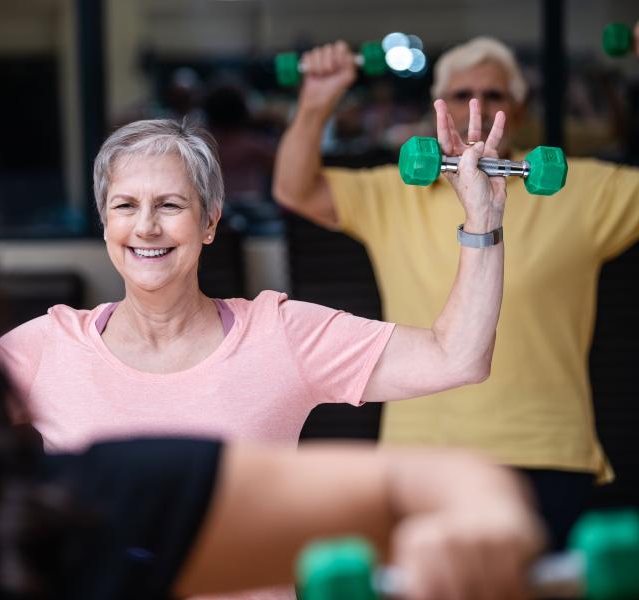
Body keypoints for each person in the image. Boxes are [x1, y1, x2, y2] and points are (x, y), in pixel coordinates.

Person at [0, 71, 545, 600]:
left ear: (210, 221)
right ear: (105, 224)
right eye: (125, 207)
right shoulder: (42, 349)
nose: (146, 228)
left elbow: (457, 356)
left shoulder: (279, 333)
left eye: (169, 206)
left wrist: (481, 223)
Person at [272, 36, 639, 550]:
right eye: (462, 94)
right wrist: (317, 98)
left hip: (546, 453)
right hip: (421, 458)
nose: (478, 109)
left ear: (520, 106)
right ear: (435, 106)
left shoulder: (579, 188)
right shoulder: (394, 191)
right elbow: (294, 188)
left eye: (493, 95)